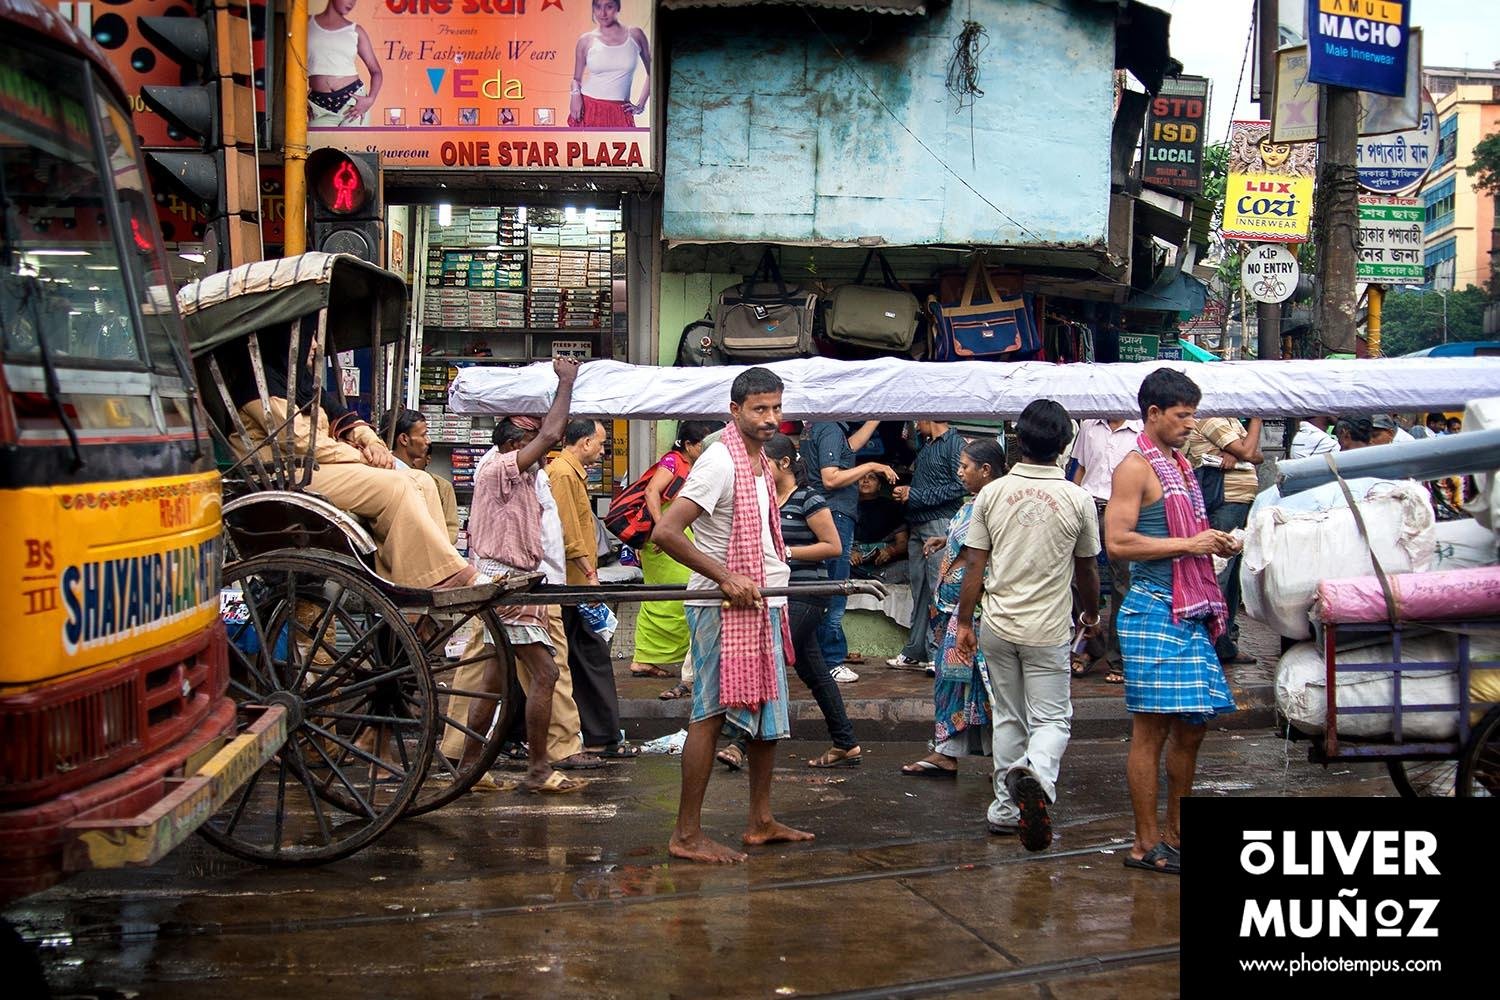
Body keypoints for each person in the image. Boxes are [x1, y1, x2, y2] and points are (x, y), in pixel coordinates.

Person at [652, 367, 814, 863]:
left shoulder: (761, 461)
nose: (771, 418)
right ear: (735, 410)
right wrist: (724, 576)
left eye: (777, 408)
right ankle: (685, 835)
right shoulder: (720, 461)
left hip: (762, 602)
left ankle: (761, 821)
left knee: (768, 713)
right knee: (709, 715)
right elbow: (668, 533)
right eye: (760, 409)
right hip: (722, 606)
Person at [214, 321, 476, 591]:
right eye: (310, 338)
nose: (315, 346)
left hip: (314, 467)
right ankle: (436, 578)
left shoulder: (302, 384)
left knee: (421, 481)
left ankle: (424, 578)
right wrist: (361, 455)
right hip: (285, 474)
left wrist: (371, 442)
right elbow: (300, 440)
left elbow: (345, 418)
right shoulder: (259, 383)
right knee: (397, 486)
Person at [1107, 369, 1240, 875]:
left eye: (1193, 413)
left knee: (1193, 728)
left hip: (1187, 609)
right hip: (1153, 608)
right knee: (1152, 731)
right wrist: (1191, 544)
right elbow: (1117, 542)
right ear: (1154, 414)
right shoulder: (1135, 468)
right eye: (1183, 415)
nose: (1191, 423)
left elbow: (1190, 536)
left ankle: (1176, 836)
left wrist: (1214, 541)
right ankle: (1144, 845)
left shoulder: (1180, 465)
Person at [950, 403, 1100, 851]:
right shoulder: (1078, 498)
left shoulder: (992, 495)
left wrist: (963, 621)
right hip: (1048, 629)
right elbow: (1088, 571)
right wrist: (1090, 617)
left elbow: (974, 565)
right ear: (1063, 445)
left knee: (1009, 716)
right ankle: (1035, 775)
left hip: (997, 625)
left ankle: (1004, 808)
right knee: (1052, 718)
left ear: (1019, 440)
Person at [452, 359, 589, 794]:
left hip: (515, 583)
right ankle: (537, 769)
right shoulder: (499, 468)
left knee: (494, 680)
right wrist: (567, 381)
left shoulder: (523, 474)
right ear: (517, 443)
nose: (542, 448)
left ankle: (470, 768)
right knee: (545, 675)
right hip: (507, 585)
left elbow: (546, 436)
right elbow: (551, 434)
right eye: (531, 441)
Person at [718, 434, 861, 771]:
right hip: (774, 594)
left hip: (806, 593)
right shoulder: (763, 499)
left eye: (764, 460)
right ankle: (846, 742)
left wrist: (787, 553)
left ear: (784, 464)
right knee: (814, 672)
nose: (757, 466)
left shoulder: (809, 499)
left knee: (770, 656)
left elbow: (833, 546)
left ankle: (739, 742)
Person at [900, 439, 1006, 778]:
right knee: (952, 682)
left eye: (965, 467)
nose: (959, 472)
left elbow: (982, 556)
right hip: (953, 611)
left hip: (973, 613)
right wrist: (947, 540)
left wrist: (966, 615)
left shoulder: (996, 503)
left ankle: (1009, 760)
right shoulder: (974, 503)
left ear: (985, 470)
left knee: (990, 687)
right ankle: (946, 752)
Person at [548, 419, 636, 759]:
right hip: (573, 583)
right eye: (599, 445)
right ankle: (600, 735)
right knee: (590, 656)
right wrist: (589, 572)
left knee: (580, 657)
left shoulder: (569, 473)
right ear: (584, 442)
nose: (601, 452)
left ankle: (598, 733)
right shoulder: (564, 474)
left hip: (576, 581)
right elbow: (568, 531)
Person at [801, 420, 897, 681]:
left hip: (830, 512)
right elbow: (831, 478)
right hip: (836, 513)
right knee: (835, 589)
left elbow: (849, 447)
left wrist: (875, 418)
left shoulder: (821, 427)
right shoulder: (830, 428)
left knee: (825, 587)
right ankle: (830, 660)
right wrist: (872, 466)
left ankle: (819, 659)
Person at [630, 421, 722, 679]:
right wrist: (663, 530)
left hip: (673, 536)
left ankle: (648, 657)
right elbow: (651, 492)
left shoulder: (696, 466)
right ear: (689, 445)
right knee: (671, 594)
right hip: (664, 539)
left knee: (671, 596)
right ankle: (646, 658)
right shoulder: (672, 461)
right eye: (702, 444)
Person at [1067, 416, 1143, 683]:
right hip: (1089, 505)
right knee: (1076, 579)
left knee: (1124, 584)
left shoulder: (1140, 428)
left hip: (1125, 511)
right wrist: (1072, 499)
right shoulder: (1089, 424)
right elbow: (1081, 468)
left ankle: (1117, 658)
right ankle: (1091, 646)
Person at [1184, 415, 1262, 667]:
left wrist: (1239, 452)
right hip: (1225, 501)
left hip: (1238, 502)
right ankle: (1211, 642)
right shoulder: (1212, 419)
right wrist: (1257, 419)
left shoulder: (1232, 421)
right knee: (1219, 572)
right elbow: (1250, 452)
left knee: (1230, 578)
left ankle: (1225, 643)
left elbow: (1257, 456)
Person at [888, 420, 966, 671]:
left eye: (916, 419)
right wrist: (909, 493)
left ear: (930, 416)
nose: (914, 424)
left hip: (939, 525)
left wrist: (917, 494)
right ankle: (916, 650)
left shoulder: (955, 444)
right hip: (918, 525)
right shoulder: (927, 445)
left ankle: (937, 652)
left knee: (937, 589)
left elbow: (960, 486)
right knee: (920, 589)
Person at [568, 0, 651, 128]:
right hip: (588, 108)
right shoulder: (586, 40)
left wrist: (641, 105)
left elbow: (654, 73)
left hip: (620, 110)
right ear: (593, 9)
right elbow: (576, 79)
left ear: (618, 7)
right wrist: (575, 95)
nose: (603, 13)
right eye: (598, 7)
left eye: (609, 6)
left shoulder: (635, 35)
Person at [387, 408, 459, 544]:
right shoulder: (392, 476)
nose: (428, 441)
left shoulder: (437, 484)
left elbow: (450, 528)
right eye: (423, 435)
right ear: (404, 439)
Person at [307, 0, 382, 127]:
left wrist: (370, 99)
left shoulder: (356, 31)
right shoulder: (306, 24)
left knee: (354, 147)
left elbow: (376, 71)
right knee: (317, 146)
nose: (351, 3)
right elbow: (291, 64)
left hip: (353, 103)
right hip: (319, 106)